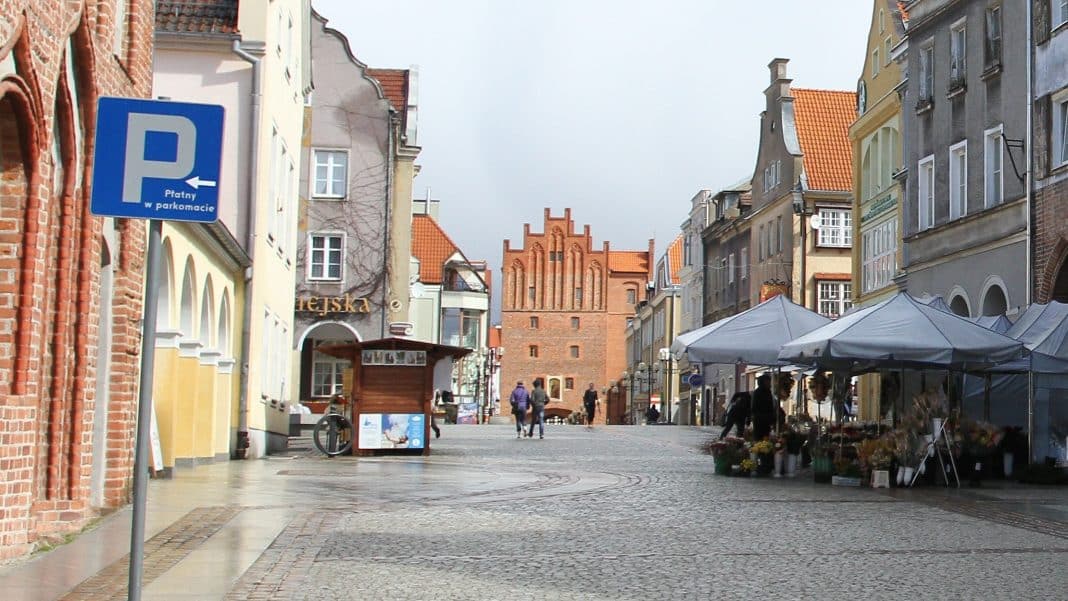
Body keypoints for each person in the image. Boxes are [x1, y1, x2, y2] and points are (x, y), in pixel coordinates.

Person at [751, 373, 776, 441]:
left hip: (766, 419)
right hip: (759, 420)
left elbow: (770, 406)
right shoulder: (757, 392)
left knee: (766, 438)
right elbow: (754, 407)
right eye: (768, 382)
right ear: (763, 382)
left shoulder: (768, 392)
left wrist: (772, 417)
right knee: (759, 438)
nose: (769, 384)